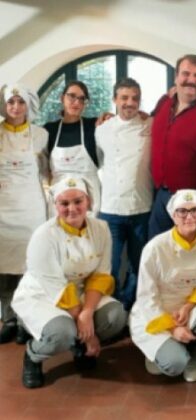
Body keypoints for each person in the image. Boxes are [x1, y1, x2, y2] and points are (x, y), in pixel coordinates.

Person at [12, 177, 127, 388]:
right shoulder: (44, 236)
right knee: (62, 333)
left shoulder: (101, 228)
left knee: (115, 316)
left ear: (88, 201)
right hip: (43, 295)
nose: (72, 209)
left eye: (78, 201)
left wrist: (87, 313)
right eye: (64, 203)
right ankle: (33, 355)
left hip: (81, 290)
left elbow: (100, 275)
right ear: (55, 205)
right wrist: (88, 333)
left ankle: (78, 346)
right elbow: (56, 287)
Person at [130, 189, 196, 383]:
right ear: (173, 215)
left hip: (187, 310)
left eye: (194, 210)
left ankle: (193, 358)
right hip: (156, 313)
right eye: (182, 211)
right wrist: (172, 329)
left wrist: (187, 307)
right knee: (174, 365)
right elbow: (146, 297)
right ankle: (164, 353)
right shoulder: (155, 247)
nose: (189, 216)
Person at [149, 54, 196, 238]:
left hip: (191, 203)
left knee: (189, 254)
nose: (191, 80)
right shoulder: (164, 103)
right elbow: (146, 122)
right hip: (161, 195)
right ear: (176, 77)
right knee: (157, 249)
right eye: (186, 74)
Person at [96, 77, 152, 311]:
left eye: (135, 98)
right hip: (111, 208)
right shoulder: (102, 130)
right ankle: (111, 308)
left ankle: (129, 305)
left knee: (138, 264)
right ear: (115, 100)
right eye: (124, 98)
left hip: (142, 206)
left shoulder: (150, 125)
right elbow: (100, 162)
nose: (130, 102)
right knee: (108, 263)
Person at [0, 84, 49, 345]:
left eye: (20, 102)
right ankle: (8, 319)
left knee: (28, 268)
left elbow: (47, 171)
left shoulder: (40, 135)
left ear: (28, 105)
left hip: (31, 209)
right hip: (2, 208)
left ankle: (25, 321)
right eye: (11, 102)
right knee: (3, 269)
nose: (16, 107)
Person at [44, 81, 101, 214]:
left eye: (81, 99)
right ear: (62, 98)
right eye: (72, 96)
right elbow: (43, 166)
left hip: (89, 199)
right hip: (59, 199)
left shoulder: (93, 126)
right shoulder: (50, 130)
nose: (76, 102)